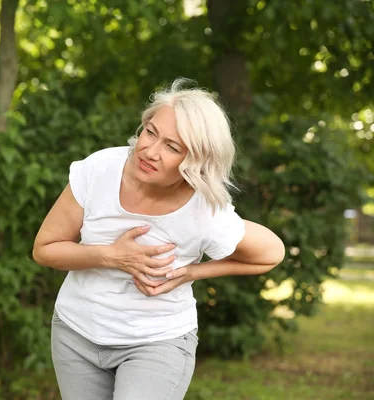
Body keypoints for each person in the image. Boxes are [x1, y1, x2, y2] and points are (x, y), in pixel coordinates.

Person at [32, 78, 285, 400]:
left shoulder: (204, 209)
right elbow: (45, 249)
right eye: (151, 132)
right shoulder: (99, 169)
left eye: (172, 147)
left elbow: (270, 254)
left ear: (196, 160)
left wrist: (192, 272)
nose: (150, 151)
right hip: (76, 332)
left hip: (156, 341)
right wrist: (111, 255)